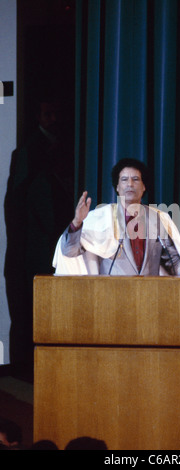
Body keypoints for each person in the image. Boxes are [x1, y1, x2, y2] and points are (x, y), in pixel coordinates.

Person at [4, 96, 74, 376]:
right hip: (33, 249)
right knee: (28, 311)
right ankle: (25, 370)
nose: (52, 119)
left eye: (55, 113)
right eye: (47, 114)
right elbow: (18, 205)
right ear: (38, 116)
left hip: (52, 245)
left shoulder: (65, 148)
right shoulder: (28, 153)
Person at [53, 158, 180, 277]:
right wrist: (77, 222)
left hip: (149, 301)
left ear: (144, 187)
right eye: (124, 180)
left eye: (135, 179)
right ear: (117, 187)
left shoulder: (157, 220)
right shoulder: (100, 219)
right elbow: (70, 251)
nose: (130, 184)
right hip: (110, 301)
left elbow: (173, 264)